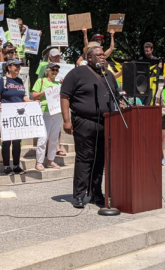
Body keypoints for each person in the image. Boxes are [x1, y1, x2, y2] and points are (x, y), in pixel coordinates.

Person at [60, 45, 120, 209]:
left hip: (105, 122)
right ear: (89, 57)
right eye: (99, 55)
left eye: (103, 55)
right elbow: (65, 95)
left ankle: (95, 193)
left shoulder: (108, 75)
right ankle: (79, 195)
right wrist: (66, 120)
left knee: (99, 159)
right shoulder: (77, 73)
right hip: (84, 121)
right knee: (85, 158)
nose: (103, 57)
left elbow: (117, 97)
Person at [0, 58, 31, 174]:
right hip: (6, 114)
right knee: (6, 141)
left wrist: (33, 102)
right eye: (16, 66)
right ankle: (6, 166)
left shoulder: (20, 81)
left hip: (18, 115)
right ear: (9, 67)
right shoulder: (3, 81)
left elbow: (23, 97)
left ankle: (16, 165)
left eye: (19, 66)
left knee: (17, 141)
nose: (18, 68)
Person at [31, 62, 63, 171]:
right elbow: (34, 95)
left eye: (56, 70)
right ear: (47, 71)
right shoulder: (41, 81)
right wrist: (45, 92)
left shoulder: (59, 84)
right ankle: (39, 161)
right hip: (45, 111)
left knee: (54, 138)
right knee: (43, 137)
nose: (55, 72)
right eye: (53, 70)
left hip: (57, 112)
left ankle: (50, 160)